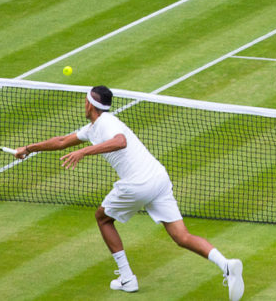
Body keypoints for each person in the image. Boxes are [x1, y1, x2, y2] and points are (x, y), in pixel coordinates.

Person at [15, 85, 245, 300]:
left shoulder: (106, 122)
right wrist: (28, 149)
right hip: (159, 179)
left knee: (102, 218)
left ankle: (127, 278)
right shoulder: (93, 128)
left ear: (89, 105)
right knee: (181, 236)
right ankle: (226, 265)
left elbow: (120, 141)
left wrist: (84, 151)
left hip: (139, 183)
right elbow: (62, 141)